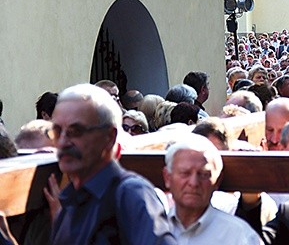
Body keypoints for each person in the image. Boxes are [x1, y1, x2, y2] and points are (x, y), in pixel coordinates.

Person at [47, 83, 175, 244]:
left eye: (75, 131)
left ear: (109, 137)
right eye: (57, 131)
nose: (63, 142)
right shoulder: (68, 202)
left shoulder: (131, 195)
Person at [163, 135, 260, 244]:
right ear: (168, 177)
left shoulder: (239, 236)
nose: (193, 183)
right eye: (185, 173)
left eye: (204, 174)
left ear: (217, 181)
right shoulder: (152, 230)